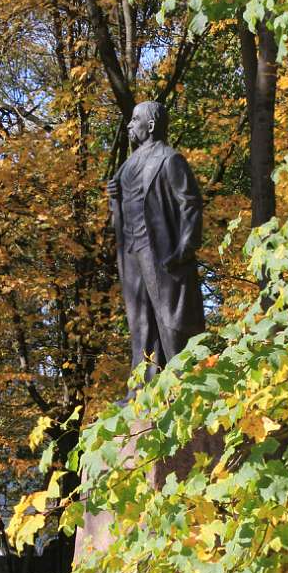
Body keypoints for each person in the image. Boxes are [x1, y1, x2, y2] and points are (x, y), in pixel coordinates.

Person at [106, 100, 206, 382]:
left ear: (150, 125)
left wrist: (186, 247)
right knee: (140, 322)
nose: (129, 125)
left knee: (171, 320)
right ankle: (144, 388)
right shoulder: (127, 166)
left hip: (160, 251)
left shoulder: (169, 159)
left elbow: (191, 204)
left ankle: (184, 382)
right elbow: (124, 207)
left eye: (135, 119)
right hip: (132, 250)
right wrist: (114, 198)